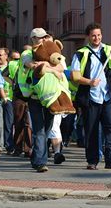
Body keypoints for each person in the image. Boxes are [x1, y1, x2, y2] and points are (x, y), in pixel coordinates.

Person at [71, 22, 111, 170]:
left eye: (99, 35)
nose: (97, 38)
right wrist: (89, 82)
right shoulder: (81, 53)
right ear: (88, 36)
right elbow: (75, 76)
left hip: (108, 97)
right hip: (91, 98)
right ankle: (92, 160)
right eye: (93, 35)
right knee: (91, 129)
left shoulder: (108, 50)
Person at [24, 29, 65, 172]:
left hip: (51, 98)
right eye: (38, 38)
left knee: (47, 129)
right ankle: (41, 162)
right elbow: (34, 66)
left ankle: (36, 158)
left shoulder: (54, 52)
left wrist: (49, 67)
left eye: (44, 37)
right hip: (34, 97)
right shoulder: (27, 54)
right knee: (40, 130)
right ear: (32, 38)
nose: (41, 40)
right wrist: (52, 69)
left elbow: (61, 66)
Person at [0, 48, 13, 154]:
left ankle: (9, 145)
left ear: (6, 56)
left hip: (9, 98)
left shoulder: (11, 67)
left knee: (9, 123)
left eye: (0, 55)